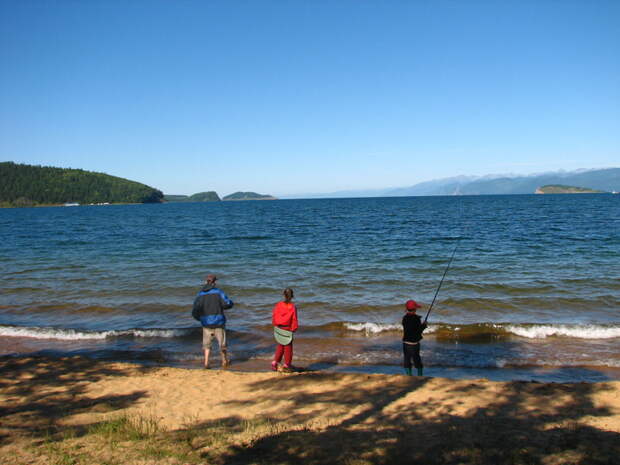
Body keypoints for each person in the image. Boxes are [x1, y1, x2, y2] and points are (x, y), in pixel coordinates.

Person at [192, 274, 234, 369]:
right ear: (215, 282)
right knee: (222, 344)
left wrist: (200, 319)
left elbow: (195, 310)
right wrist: (231, 304)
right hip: (219, 322)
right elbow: (227, 303)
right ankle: (224, 360)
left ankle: (206, 362)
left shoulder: (200, 294)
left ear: (205, 282)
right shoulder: (219, 292)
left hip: (206, 323)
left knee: (206, 345)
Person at [271, 287, 298, 372]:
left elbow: (274, 315)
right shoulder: (292, 307)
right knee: (288, 347)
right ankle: (287, 364)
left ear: (284, 295)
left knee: (280, 346)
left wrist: (275, 325)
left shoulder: (278, 305)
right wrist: (294, 329)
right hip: (287, 329)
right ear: (292, 296)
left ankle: (275, 362)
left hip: (279, 328)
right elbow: (294, 319)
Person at [402, 299, 427, 376]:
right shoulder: (417, 319)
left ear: (407, 309)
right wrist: (424, 326)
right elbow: (418, 331)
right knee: (417, 359)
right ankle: (420, 375)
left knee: (407, 360)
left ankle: (409, 375)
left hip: (406, 343)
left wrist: (421, 326)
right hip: (414, 344)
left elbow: (410, 329)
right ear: (415, 309)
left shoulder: (404, 318)